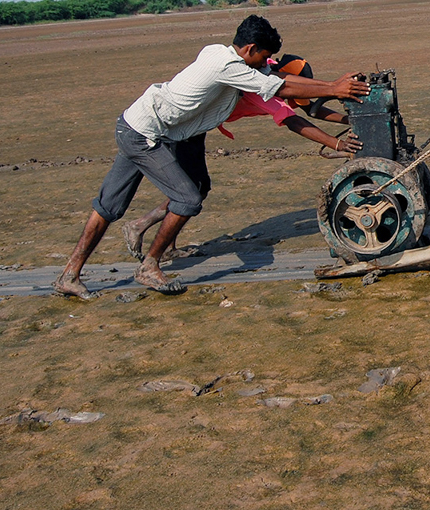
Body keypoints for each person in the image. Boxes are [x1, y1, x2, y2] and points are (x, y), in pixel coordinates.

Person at [52, 16, 370, 299]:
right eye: (263, 57)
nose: (265, 63)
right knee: (188, 197)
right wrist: (334, 88)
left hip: (139, 123)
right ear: (249, 49)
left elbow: (295, 96)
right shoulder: (232, 68)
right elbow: (282, 92)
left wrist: (336, 95)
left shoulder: (217, 51)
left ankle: (69, 275)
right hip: (147, 133)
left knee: (110, 205)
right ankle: (149, 266)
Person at [121, 54, 364, 262]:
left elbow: (310, 108)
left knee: (195, 186)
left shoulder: (269, 68)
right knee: (191, 190)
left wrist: (351, 119)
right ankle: (141, 227)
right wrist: (338, 143)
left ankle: (164, 244)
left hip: (197, 126)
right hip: (185, 128)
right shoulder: (258, 86)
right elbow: (293, 120)